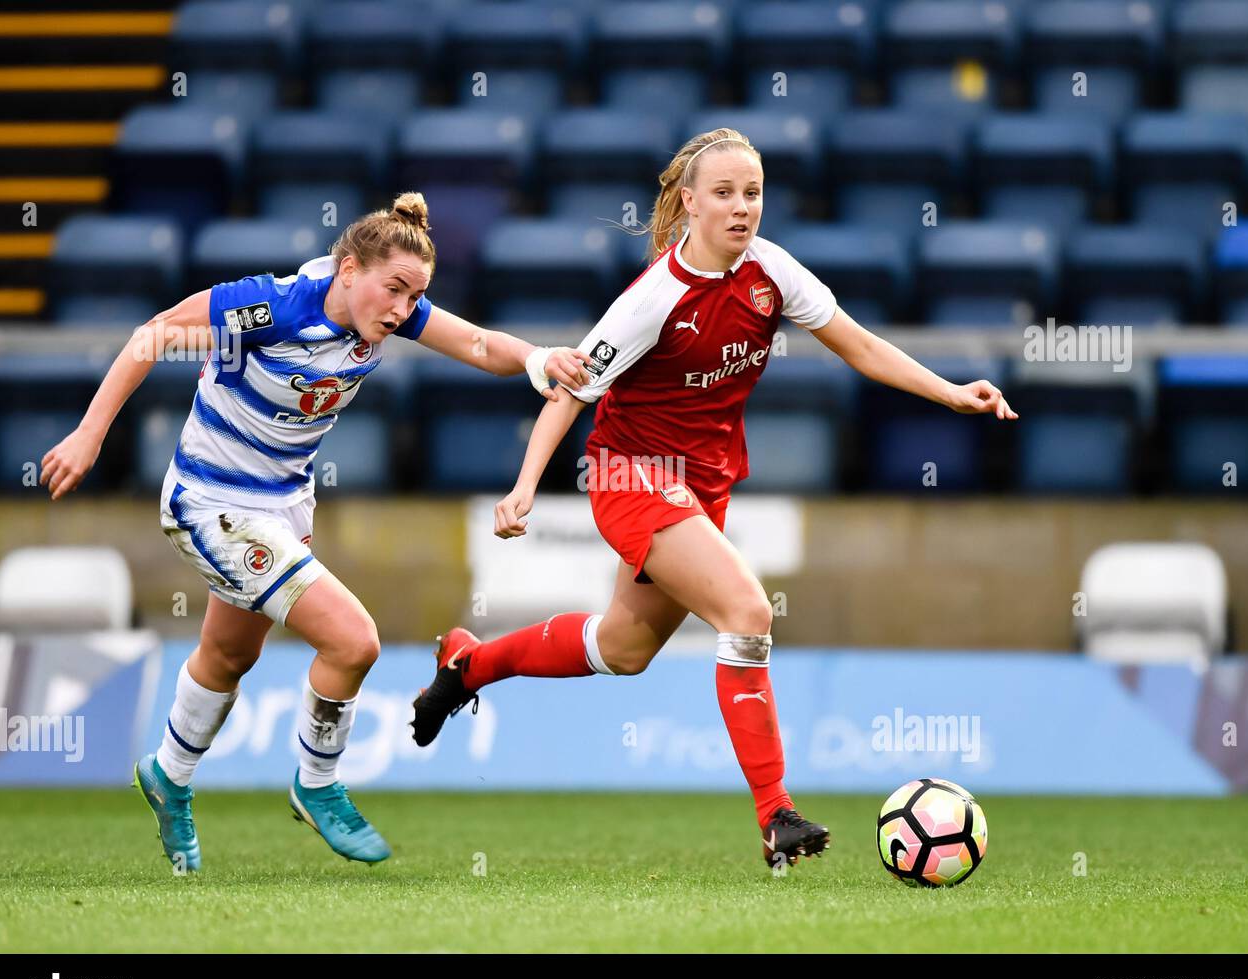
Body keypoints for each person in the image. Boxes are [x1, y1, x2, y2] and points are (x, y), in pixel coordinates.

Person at [409, 130, 1019, 869]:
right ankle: (777, 814)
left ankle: (467, 665)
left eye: (753, 193)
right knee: (750, 611)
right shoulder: (653, 299)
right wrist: (525, 487)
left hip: (702, 483)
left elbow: (859, 346)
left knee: (622, 648)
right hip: (630, 473)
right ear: (688, 203)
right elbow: (569, 391)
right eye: (724, 194)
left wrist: (951, 391)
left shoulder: (772, 270)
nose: (741, 208)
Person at [40, 191, 592, 871]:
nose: (401, 310)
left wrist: (542, 361)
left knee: (228, 657)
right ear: (348, 268)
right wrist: (90, 434)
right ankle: (318, 782)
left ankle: (168, 775)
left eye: (414, 296)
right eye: (393, 289)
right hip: (211, 500)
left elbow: (477, 343)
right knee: (354, 640)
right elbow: (153, 333)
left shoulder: (391, 309)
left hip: (284, 504)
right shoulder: (275, 307)